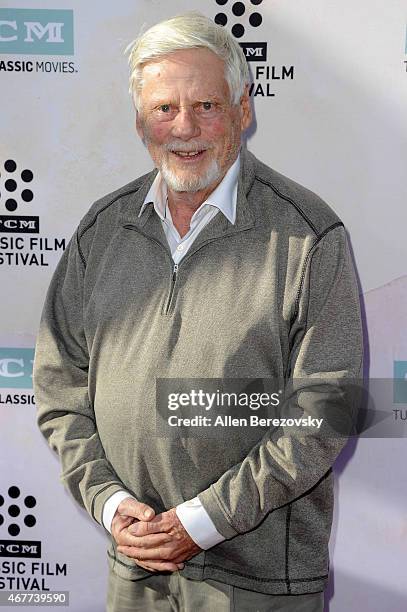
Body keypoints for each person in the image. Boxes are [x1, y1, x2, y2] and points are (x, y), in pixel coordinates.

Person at [33, 11, 363, 612]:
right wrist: (109, 501)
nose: (184, 127)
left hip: (261, 583)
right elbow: (60, 387)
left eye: (207, 105)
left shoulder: (308, 235)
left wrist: (204, 521)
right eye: (164, 109)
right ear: (140, 122)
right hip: (135, 571)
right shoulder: (102, 232)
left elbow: (327, 408)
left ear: (244, 109)